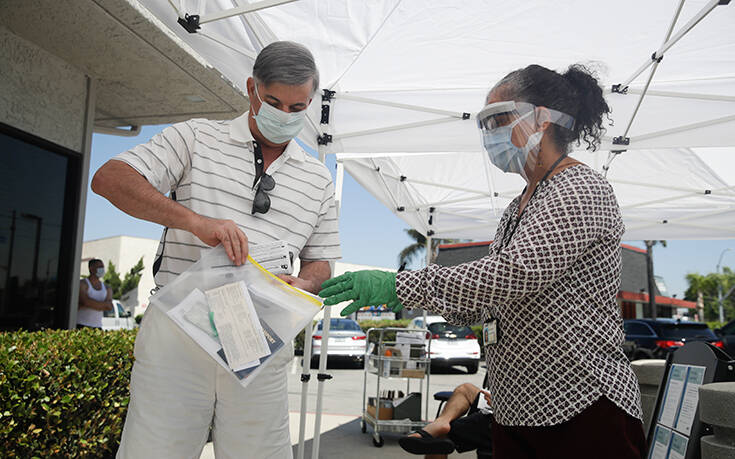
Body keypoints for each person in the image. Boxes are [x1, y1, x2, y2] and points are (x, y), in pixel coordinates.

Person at [320, 64, 646, 459]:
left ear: (542, 119)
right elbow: (486, 301)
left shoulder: (580, 188)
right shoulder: (519, 206)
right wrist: (405, 298)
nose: (489, 133)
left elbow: (515, 272)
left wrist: (401, 284)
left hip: (580, 406)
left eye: (499, 119)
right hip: (520, 411)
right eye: (485, 123)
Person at [92, 41, 341, 458]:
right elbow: (110, 178)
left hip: (260, 338)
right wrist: (194, 221)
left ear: (311, 103)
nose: (285, 116)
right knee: (154, 452)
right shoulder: (195, 137)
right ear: (251, 89)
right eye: (274, 102)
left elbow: (322, 262)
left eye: (298, 109)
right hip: (179, 329)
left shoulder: (319, 179)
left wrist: (304, 282)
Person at [399, 382, 493, 458]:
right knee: (465, 389)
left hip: (501, 420)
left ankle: (437, 428)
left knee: (438, 437)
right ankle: (442, 422)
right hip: (494, 407)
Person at [77, 258, 113, 329]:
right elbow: (85, 301)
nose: (102, 269)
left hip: (98, 327)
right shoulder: (83, 284)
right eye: (99, 267)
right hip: (81, 325)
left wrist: (89, 304)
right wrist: (101, 306)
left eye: (102, 267)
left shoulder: (106, 287)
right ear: (91, 268)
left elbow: (109, 306)